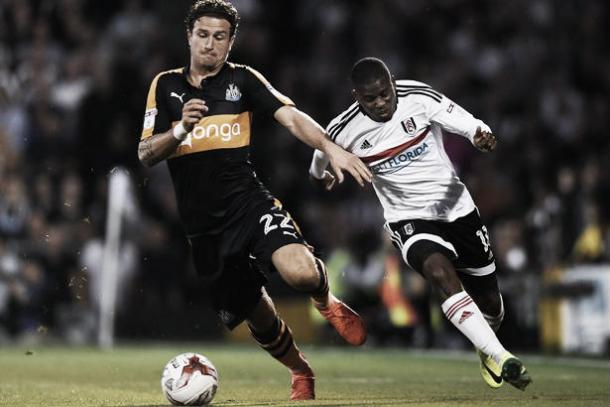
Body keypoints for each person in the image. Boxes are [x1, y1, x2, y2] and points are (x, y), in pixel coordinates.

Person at [137, 0, 372, 401]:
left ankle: (326, 301)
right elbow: (145, 154)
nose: (210, 45)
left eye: (220, 37)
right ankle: (301, 370)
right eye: (203, 35)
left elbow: (290, 115)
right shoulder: (165, 86)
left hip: (249, 204)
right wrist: (179, 131)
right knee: (257, 315)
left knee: (300, 272)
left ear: (231, 43)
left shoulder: (243, 80)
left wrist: (331, 148)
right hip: (204, 230)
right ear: (189, 36)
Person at [309, 57, 531, 391]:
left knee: (491, 305)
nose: (382, 102)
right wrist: (319, 175)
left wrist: (479, 133)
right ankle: (501, 357)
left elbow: (463, 119)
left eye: (386, 93)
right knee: (441, 274)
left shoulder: (417, 97)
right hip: (407, 219)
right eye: (371, 99)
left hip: (457, 209)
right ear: (357, 96)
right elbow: (320, 152)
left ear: (393, 82)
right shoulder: (344, 129)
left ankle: (485, 345)